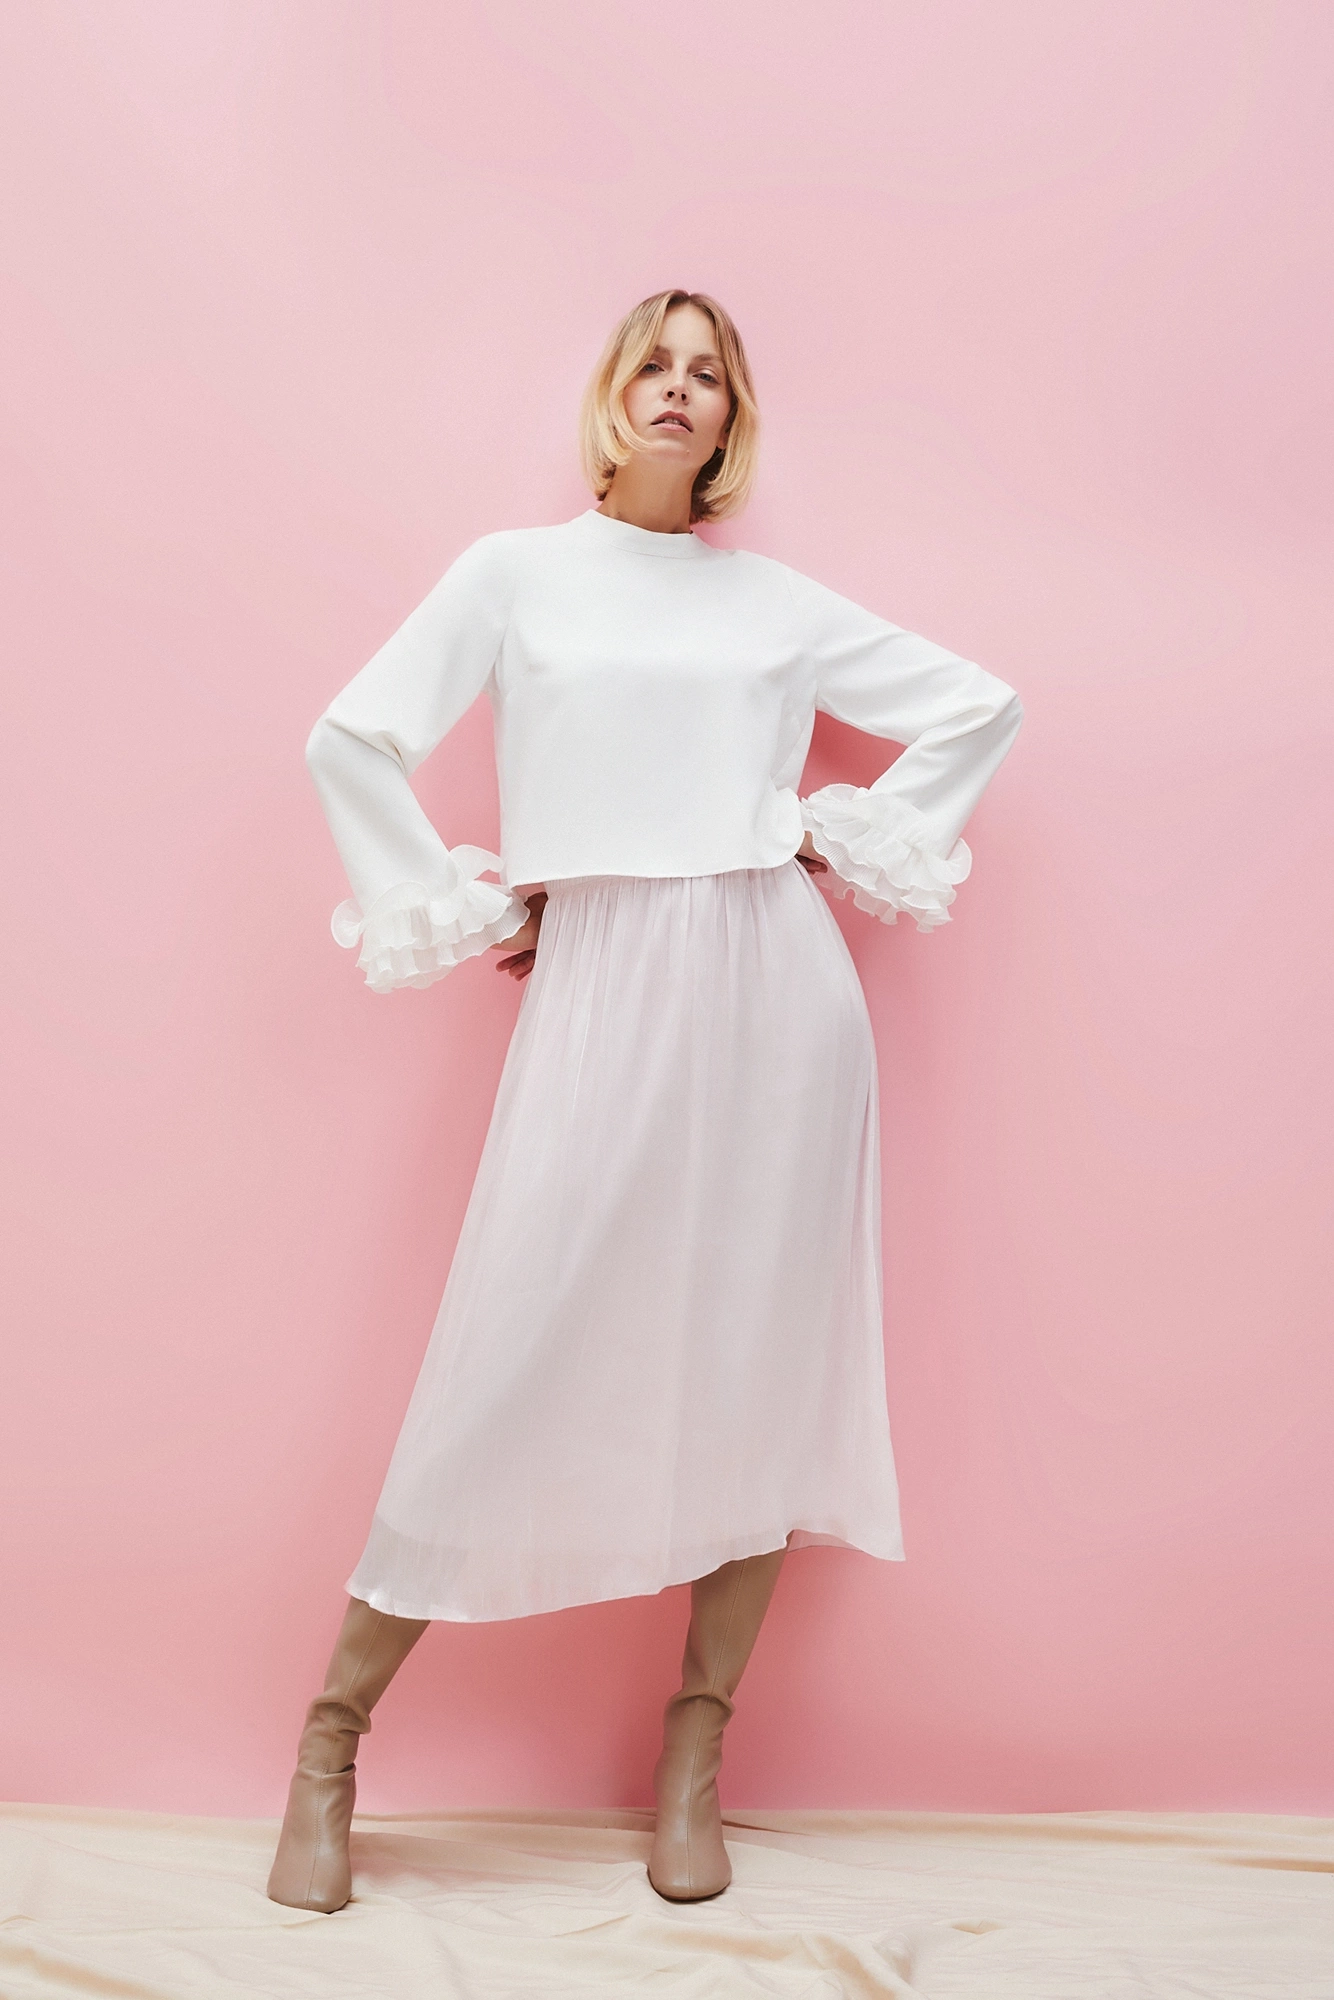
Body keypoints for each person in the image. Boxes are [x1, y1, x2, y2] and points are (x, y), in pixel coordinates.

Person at [268, 288, 1024, 1914]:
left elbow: (980, 703)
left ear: (730, 417)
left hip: (776, 998)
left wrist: (818, 827)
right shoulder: (513, 574)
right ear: (611, 397)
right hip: (603, 983)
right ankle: (330, 1747)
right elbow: (351, 739)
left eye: (707, 374)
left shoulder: (772, 603)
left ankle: (696, 1755)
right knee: (513, 1340)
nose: (678, 390)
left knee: (757, 1362)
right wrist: (471, 898)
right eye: (653, 366)